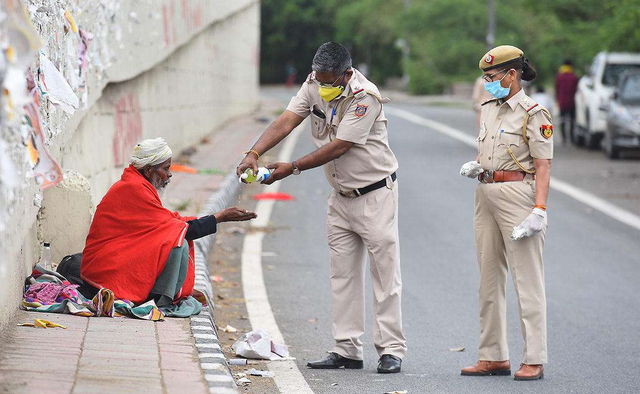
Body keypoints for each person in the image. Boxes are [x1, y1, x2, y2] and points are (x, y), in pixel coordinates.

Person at [236, 42, 406, 373]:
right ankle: (347, 350)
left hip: (375, 195)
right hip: (340, 196)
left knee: (385, 275)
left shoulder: (364, 96)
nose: (323, 85)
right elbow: (287, 120)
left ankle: (391, 349)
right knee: (342, 275)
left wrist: (292, 167)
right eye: (319, 78)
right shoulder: (313, 83)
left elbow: (340, 146)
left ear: (346, 74)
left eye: (330, 81)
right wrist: (254, 152)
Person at [459, 45, 553, 381]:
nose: (487, 84)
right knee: (488, 279)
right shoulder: (488, 108)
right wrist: (479, 165)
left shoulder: (533, 113)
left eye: (492, 77)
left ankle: (534, 358)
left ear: (512, 75)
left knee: (527, 280)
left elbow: (543, 166)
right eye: (485, 78)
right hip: (485, 193)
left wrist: (538, 210)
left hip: (518, 195)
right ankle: (493, 355)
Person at [79, 138, 256, 314]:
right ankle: (161, 299)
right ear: (149, 170)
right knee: (178, 244)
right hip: (104, 269)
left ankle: (158, 295)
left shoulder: (137, 184)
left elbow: (169, 221)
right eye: (165, 169)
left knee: (175, 235)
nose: (170, 174)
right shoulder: (133, 188)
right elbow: (177, 228)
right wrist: (219, 217)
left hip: (115, 258)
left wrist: (216, 217)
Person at [555, 59, 579, 144]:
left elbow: (556, 89)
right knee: (572, 121)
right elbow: (576, 90)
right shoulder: (574, 77)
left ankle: (564, 138)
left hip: (562, 102)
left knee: (563, 120)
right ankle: (571, 138)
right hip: (572, 102)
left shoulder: (559, 76)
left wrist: (557, 100)